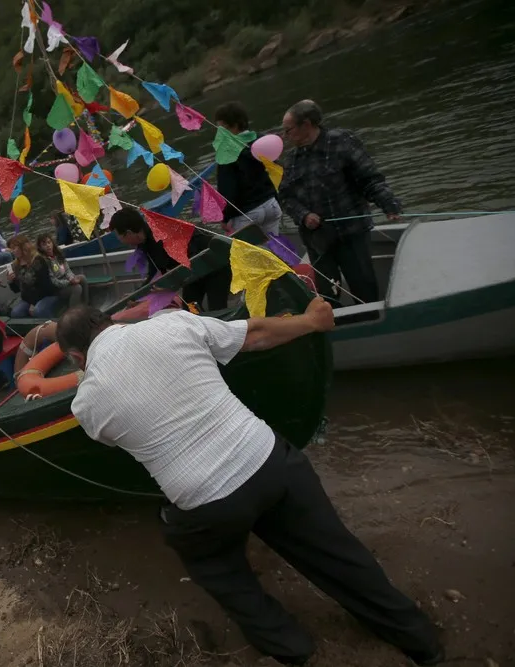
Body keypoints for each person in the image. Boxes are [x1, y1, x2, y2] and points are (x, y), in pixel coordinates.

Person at [56, 304, 444, 667]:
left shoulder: (86, 404)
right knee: (337, 553)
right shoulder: (172, 324)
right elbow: (256, 333)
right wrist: (311, 321)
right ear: (106, 321)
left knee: (214, 564)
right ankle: (419, 639)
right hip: (270, 460)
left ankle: (291, 647)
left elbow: (115, 436)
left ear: (76, 358)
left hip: (207, 504)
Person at [279, 99, 401, 305]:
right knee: (327, 292)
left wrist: (388, 203)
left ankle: (369, 319)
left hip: (350, 232)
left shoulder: (342, 142)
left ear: (307, 125)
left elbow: (369, 178)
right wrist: (304, 215)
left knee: (363, 284)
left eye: (288, 130)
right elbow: (285, 196)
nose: (285, 136)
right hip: (317, 240)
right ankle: (336, 323)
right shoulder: (291, 160)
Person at [110, 208, 231, 312]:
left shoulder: (163, 234)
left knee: (217, 308)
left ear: (129, 233)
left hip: (215, 265)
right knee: (190, 308)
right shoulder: (145, 242)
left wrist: (175, 285)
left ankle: (227, 331)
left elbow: (193, 259)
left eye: (118, 236)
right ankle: (203, 326)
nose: (120, 240)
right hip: (193, 273)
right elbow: (155, 272)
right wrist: (136, 296)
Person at [214, 102, 282, 236]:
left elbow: (228, 191)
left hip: (247, 215)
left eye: (221, 128)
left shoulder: (227, 152)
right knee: (275, 251)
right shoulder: (262, 140)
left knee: (248, 256)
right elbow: (277, 172)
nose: (219, 133)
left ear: (234, 126)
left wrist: (224, 217)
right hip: (271, 205)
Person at [6, 234, 60, 319]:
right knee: (15, 313)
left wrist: (34, 303)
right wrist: (11, 281)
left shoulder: (37, 260)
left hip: (47, 295)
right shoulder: (15, 265)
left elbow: (45, 286)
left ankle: (52, 326)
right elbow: (17, 290)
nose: (12, 251)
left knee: (38, 310)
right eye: (11, 249)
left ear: (22, 247)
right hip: (28, 299)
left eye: (14, 248)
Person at [37, 233, 88, 310]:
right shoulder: (44, 261)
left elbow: (67, 270)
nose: (48, 245)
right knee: (77, 288)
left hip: (66, 280)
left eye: (49, 242)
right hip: (56, 288)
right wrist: (69, 282)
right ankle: (72, 314)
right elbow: (53, 281)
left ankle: (86, 305)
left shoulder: (58, 254)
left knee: (82, 278)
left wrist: (71, 278)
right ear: (40, 248)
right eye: (44, 244)